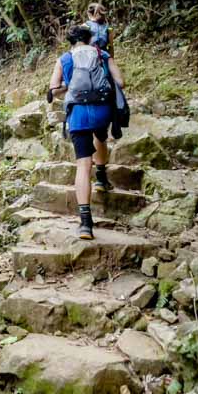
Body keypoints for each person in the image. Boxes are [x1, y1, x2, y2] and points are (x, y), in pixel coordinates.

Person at [47, 25, 125, 240]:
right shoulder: (102, 53)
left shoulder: (64, 59)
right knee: (100, 137)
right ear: (90, 39)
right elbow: (121, 82)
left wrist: (68, 85)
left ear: (70, 41)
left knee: (82, 164)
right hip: (102, 110)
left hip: (78, 114)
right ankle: (101, 176)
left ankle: (85, 223)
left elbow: (53, 90)